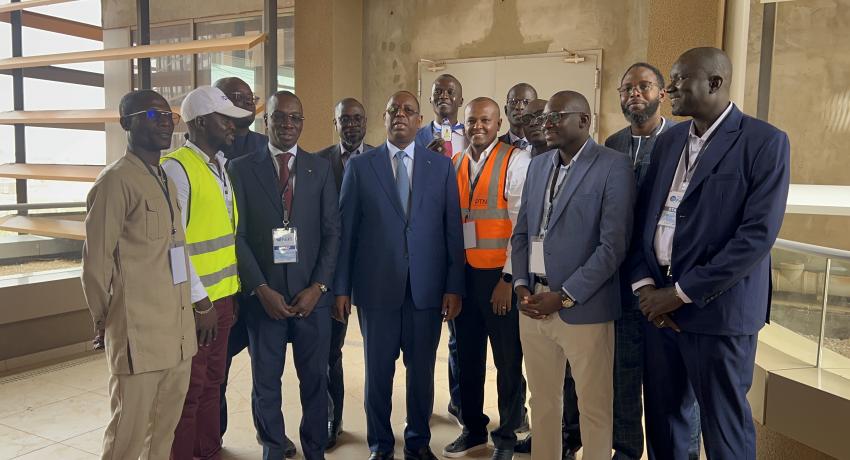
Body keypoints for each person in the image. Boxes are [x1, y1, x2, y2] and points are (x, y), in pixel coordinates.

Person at [631, 47, 790, 460]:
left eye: (679, 79)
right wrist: (648, 287)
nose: (670, 88)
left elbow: (755, 237)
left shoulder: (764, 142)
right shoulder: (667, 143)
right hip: (658, 311)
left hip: (718, 313)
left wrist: (681, 292)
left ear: (715, 83)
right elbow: (643, 220)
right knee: (665, 426)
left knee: (725, 432)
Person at [334, 90, 465, 460]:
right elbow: (347, 234)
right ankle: (380, 445)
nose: (401, 116)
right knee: (378, 375)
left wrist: (454, 286)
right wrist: (341, 288)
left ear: (419, 121)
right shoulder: (361, 168)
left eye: (409, 111)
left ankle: (419, 442)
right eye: (394, 110)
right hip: (376, 292)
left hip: (426, 291)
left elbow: (452, 231)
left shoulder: (440, 167)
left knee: (421, 374)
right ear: (385, 117)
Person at [511, 91, 635, 460]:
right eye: (543, 118)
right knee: (543, 402)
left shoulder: (613, 166)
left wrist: (564, 296)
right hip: (533, 304)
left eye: (556, 116)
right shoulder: (538, 165)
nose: (545, 124)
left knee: (594, 407)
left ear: (584, 120)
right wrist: (520, 285)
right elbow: (522, 233)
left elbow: (612, 247)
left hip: (584, 308)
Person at [81, 89, 196, 460]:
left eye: (169, 116)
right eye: (152, 115)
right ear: (126, 123)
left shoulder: (163, 177)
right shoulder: (115, 181)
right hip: (139, 336)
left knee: (162, 436)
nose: (164, 121)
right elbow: (95, 264)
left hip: (178, 336)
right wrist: (106, 320)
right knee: (128, 440)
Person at [228, 90, 340, 460]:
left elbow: (331, 232)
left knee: (314, 382)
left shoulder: (319, 168)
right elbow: (238, 236)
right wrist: (260, 288)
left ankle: (315, 451)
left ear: (303, 123)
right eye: (280, 117)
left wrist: (319, 287)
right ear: (266, 120)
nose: (288, 125)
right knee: (266, 385)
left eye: (295, 118)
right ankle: (274, 449)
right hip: (266, 300)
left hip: (312, 299)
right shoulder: (241, 169)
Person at [604, 62, 702, 460]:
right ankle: (626, 451)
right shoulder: (611, 145)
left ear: (662, 94)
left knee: (674, 390)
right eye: (627, 88)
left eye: (645, 86)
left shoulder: (681, 141)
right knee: (623, 380)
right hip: (622, 284)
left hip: (669, 286)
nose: (635, 94)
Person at [161, 86, 247, 460]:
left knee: (215, 383)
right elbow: (173, 245)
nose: (232, 125)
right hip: (197, 306)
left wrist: (231, 293)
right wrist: (200, 301)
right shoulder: (177, 169)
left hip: (223, 298)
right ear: (198, 123)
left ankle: (209, 450)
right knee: (189, 392)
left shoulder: (220, 167)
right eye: (223, 118)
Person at [441, 98, 529, 460]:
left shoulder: (514, 160)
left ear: (498, 123)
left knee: (508, 360)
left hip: (499, 278)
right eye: (472, 120)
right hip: (464, 275)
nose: (479, 126)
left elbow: (520, 223)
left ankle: (507, 436)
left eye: (486, 120)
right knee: (468, 357)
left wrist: (508, 279)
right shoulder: (456, 162)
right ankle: (473, 428)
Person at [315, 97, 374, 450]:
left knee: (378, 353)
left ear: (366, 122)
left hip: (370, 274)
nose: (351, 124)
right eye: (344, 119)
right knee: (329, 351)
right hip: (330, 273)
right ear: (334, 123)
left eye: (356, 118)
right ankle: (331, 419)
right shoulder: (317, 163)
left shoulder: (381, 159)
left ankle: (382, 424)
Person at [415, 73, 467, 158]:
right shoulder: (415, 137)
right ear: (430, 99)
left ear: (461, 101)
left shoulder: (471, 136)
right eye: (437, 92)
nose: (443, 96)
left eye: (450, 92)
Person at [498, 83, 537, 150]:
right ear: (506, 110)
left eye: (526, 102)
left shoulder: (548, 148)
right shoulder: (494, 146)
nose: (519, 107)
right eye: (513, 102)